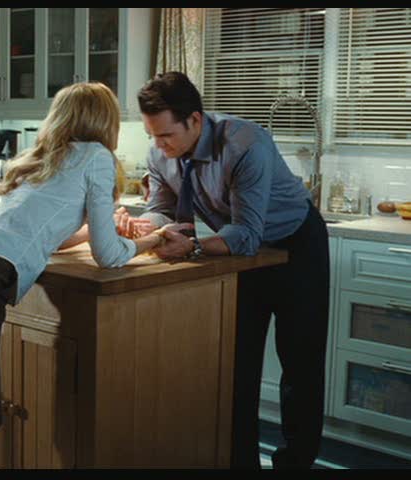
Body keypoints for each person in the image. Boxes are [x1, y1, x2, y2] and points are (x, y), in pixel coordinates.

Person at [0, 82, 187, 469]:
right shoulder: (96, 156)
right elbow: (109, 258)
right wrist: (155, 238)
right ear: (106, 120)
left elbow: (49, 235)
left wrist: (106, 230)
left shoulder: (44, 156)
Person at [132, 71, 330, 469]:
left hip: (296, 243)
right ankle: (241, 463)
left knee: (300, 362)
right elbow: (162, 207)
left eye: (165, 135)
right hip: (241, 250)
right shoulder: (160, 153)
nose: (158, 145)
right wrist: (144, 227)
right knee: (237, 363)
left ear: (195, 120)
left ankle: (295, 464)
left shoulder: (244, 144)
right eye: (152, 135)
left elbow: (248, 231)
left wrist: (191, 247)